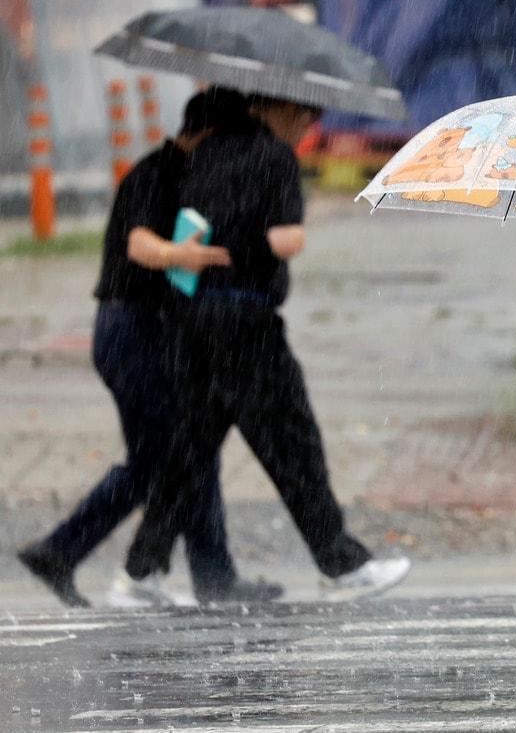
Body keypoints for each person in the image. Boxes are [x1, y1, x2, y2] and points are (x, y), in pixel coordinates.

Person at [117, 95, 410, 605]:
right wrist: (282, 224)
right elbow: (286, 240)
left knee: (189, 450)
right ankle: (342, 564)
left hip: (196, 319)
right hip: (246, 325)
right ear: (288, 112)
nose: (307, 129)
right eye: (308, 119)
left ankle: (140, 572)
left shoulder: (205, 153)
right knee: (293, 442)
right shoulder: (274, 156)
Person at [17, 88, 283, 608]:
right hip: (131, 333)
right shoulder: (153, 174)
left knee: (186, 455)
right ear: (206, 135)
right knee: (161, 461)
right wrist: (175, 253)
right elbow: (138, 244)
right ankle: (65, 552)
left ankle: (210, 575)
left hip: (162, 334)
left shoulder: (193, 180)